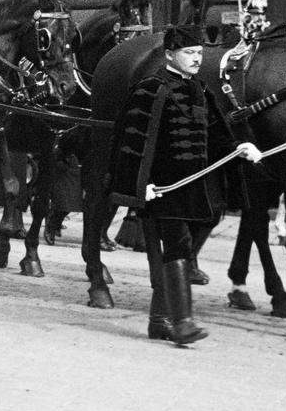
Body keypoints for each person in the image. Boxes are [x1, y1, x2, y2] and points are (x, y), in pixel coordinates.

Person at [109, 26, 263, 345]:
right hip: (162, 187)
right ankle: (183, 323)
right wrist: (140, 186)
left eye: (199, 54)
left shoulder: (200, 89)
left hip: (194, 188)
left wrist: (239, 148)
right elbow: (130, 142)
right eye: (189, 54)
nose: (196, 60)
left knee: (182, 247)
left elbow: (216, 135)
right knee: (178, 247)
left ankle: (158, 321)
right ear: (169, 55)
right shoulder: (151, 89)